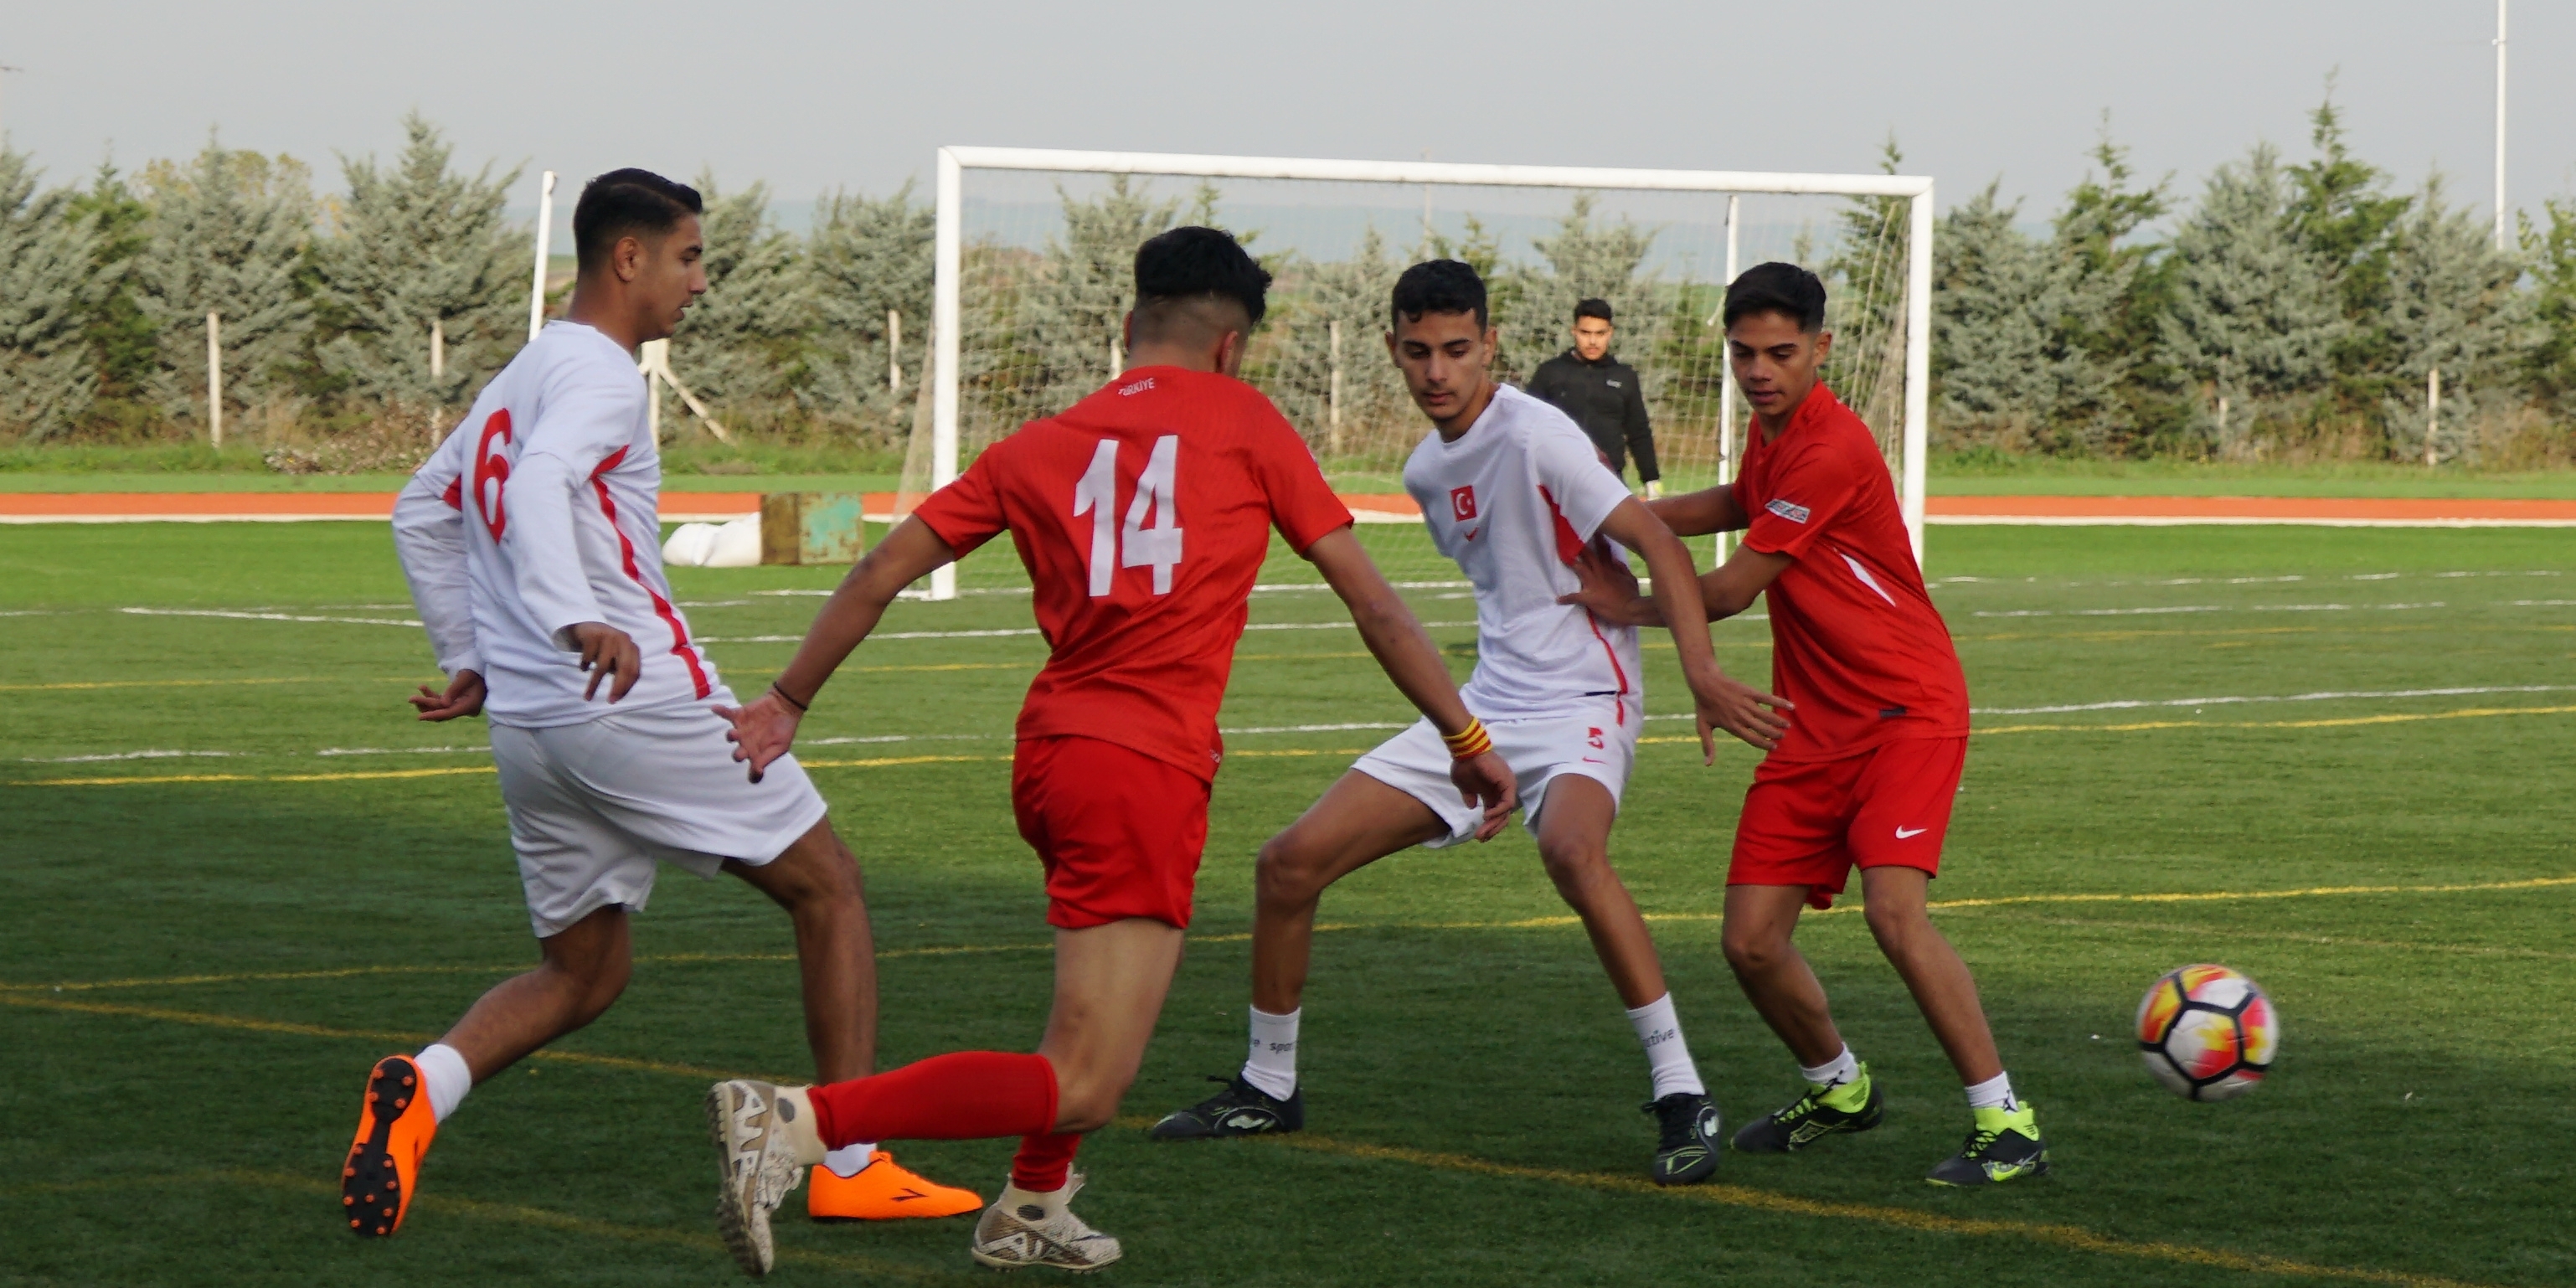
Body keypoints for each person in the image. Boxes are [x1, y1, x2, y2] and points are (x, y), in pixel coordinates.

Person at [701, 228, 1517, 1275]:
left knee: (1090, 1013)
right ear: (1231, 348)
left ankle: (1033, 1203)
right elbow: (1376, 605)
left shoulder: (1038, 440)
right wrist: (1466, 735)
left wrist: (785, 699)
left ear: (1130, 326)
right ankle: (802, 1120)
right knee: (1088, 1073)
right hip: (1139, 766)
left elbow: (877, 572)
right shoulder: (1245, 418)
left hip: (1052, 755)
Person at [352, 168, 975, 1241]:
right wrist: (566, 616)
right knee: (828, 885)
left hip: (534, 731)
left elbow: (421, 509)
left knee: (584, 970)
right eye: (687, 257)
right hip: (628, 697)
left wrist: (472, 652)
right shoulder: (596, 376)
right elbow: (543, 480)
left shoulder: (522, 370)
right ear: (627, 257)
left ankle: (426, 1083)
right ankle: (853, 1159)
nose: (699, 281)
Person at [1146, 260, 1785, 1187]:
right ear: (1393, 351)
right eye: (1416, 352)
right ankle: (1266, 1083)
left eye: (1455, 349)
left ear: (1489, 344)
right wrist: (1470, 740)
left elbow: (1653, 541)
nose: (1436, 371)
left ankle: (1681, 1089)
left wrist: (1701, 673)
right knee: (1287, 862)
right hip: (1490, 703)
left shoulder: (1540, 434)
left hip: (1583, 702)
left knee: (1572, 851)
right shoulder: (1422, 467)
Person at [1558, 261, 2048, 1187]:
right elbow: (1735, 503)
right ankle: (1838, 1087)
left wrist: (1619, 599)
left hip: (1905, 709)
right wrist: (1622, 517)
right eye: (1743, 353)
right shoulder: (1768, 434)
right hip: (1809, 721)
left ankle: (2007, 1119)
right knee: (1747, 940)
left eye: (1781, 353)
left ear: (1821, 349)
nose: (1759, 370)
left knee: (1895, 915)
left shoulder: (1831, 446)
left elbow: (1734, 589)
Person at [1525, 297, 1662, 497]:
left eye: (1600, 333)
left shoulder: (1624, 377)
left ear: (1610, 333)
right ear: (1574, 331)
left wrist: (1651, 481)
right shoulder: (1550, 373)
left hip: (1609, 482)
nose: (1592, 341)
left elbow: (1638, 432)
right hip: (1557, 480)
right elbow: (1527, 426)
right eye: (1585, 333)